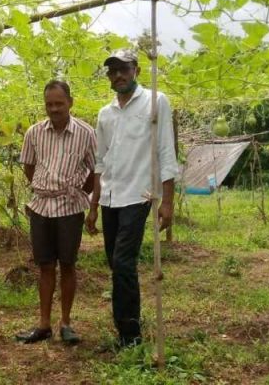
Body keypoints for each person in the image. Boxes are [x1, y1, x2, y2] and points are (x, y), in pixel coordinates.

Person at [85, 49, 178, 350]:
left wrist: (167, 201)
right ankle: (127, 326)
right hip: (111, 196)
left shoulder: (156, 101)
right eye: (112, 71)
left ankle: (130, 337)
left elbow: (165, 151)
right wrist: (95, 203)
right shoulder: (105, 113)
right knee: (115, 262)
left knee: (124, 263)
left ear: (136, 70)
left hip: (139, 194)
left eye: (123, 69)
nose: (117, 76)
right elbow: (100, 161)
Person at [15, 80, 97, 346]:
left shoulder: (86, 133)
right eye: (49, 104)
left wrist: (81, 192)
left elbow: (96, 170)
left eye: (59, 103)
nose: (54, 109)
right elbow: (28, 166)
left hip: (70, 207)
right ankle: (43, 324)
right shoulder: (34, 133)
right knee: (45, 265)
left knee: (68, 264)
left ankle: (66, 323)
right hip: (41, 207)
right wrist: (43, 187)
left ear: (70, 103)